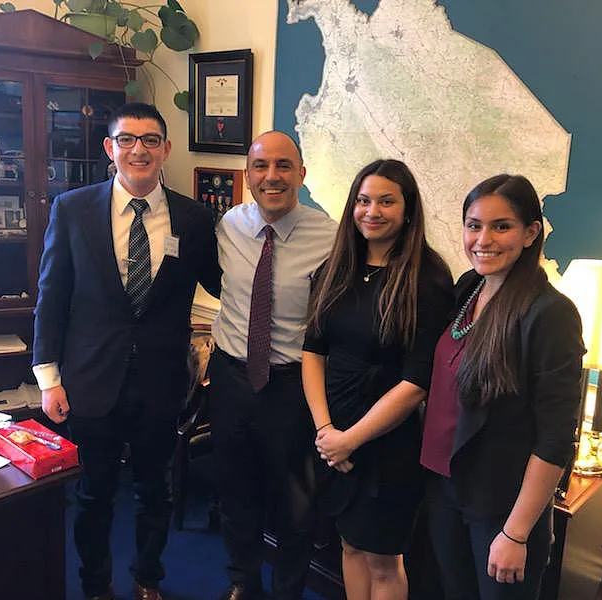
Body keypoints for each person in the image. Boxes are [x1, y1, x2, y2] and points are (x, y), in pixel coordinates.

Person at [32, 102, 220, 600]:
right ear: (109, 148)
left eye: (151, 140)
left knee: (154, 491)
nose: (139, 149)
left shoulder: (195, 217)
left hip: (160, 380)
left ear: (166, 149)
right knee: (93, 494)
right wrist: (49, 379)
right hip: (91, 379)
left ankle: (147, 579)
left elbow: (225, 285)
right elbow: (52, 297)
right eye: (128, 139)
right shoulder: (72, 209)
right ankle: (95, 585)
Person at [420, 174, 585, 600]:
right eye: (474, 225)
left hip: (501, 509)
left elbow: (555, 440)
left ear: (531, 233)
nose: (484, 239)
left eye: (501, 226)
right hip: (444, 488)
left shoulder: (550, 314)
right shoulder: (468, 287)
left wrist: (516, 533)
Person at [301, 159, 453, 599]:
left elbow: (416, 382)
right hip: (331, 432)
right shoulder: (336, 267)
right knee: (348, 545)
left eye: (387, 201)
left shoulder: (428, 278)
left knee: (383, 559)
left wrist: (351, 440)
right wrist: (327, 430)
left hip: (387, 441)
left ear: (407, 210)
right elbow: (313, 351)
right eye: (364, 200)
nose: (373, 211)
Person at [210, 131, 338, 600]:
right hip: (230, 379)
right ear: (248, 176)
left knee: (296, 506)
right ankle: (243, 581)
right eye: (261, 166)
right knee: (235, 491)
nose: (272, 176)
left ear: (301, 174)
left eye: (284, 166)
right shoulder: (227, 225)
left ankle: (288, 590)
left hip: (291, 385)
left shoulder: (331, 237)